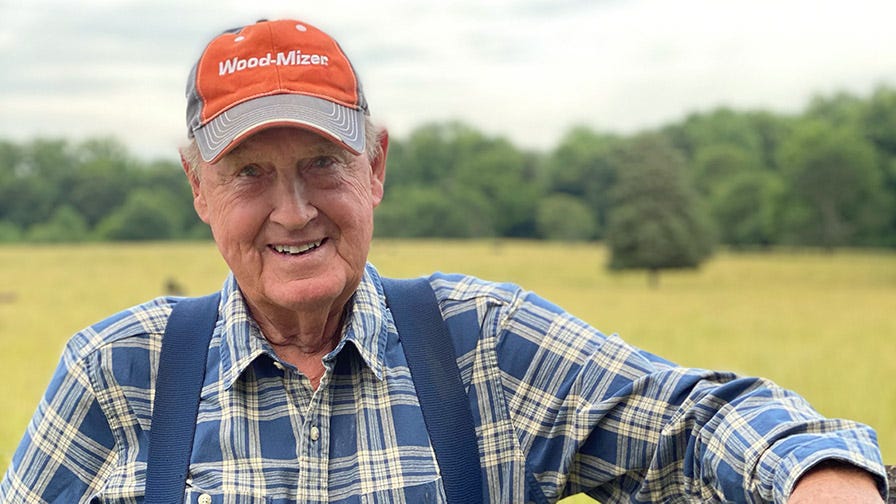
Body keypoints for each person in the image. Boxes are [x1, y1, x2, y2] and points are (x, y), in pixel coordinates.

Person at [0, 17, 888, 504]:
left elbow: (692, 421)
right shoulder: (117, 374)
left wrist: (816, 474)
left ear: (375, 166)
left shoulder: (481, 344)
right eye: (249, 174)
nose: (294, 210)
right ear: (198, 189)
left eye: (322, 164)